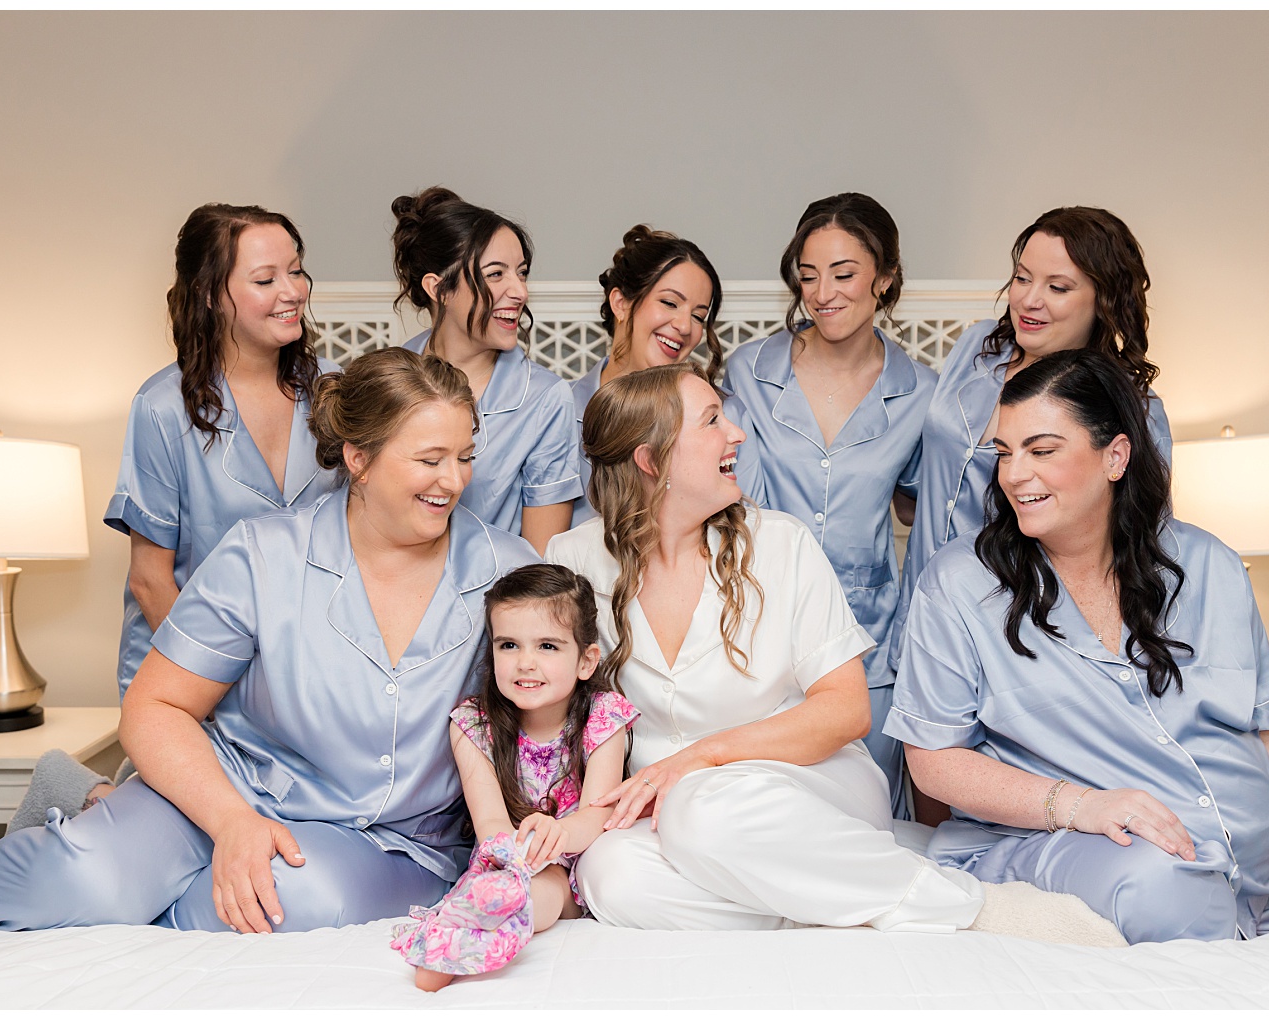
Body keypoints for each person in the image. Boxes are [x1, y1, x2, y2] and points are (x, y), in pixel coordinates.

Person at [0, 348, 540, 941]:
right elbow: (156, 707)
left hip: (391, 835)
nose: (452, 480)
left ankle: (103, 817)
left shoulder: (506, 571)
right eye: (430, 460)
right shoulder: (264, 554)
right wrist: (231, 822)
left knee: (292, 899)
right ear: (358, 458)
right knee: (85, 876)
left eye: (465, 456)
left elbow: (552, 716)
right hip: (228, 789)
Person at [885, 347, 1269, 946]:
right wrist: (1080, 805)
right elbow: (933, 761)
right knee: (1164, 883)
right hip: (1074, 847)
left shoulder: (1208, 564)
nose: (1013, 474)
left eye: (1041, 451)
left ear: (1115, 455)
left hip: (1259, 885)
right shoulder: (959, 584)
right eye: (1004, 453)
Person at [543, 363, 985, 933]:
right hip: (666, 815)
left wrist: (700, 758)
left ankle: (945, 901)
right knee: (611, 874)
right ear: (651, 462)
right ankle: (809, 915)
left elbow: (846, 710)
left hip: (806, 787)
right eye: (711, 421)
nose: (737, 433)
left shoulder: (782, 544)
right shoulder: (572, 559)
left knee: (699, 812)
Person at [10, 203, 343, 829]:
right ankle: (86, 795)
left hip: (300, 667)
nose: (292, 292)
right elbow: (150, 579)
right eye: (266, 279)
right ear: (212, 296)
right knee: (187, 827)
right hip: (189, 662)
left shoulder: (334, 392)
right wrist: (211, 684)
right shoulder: (163, 408)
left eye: (296, 272)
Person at [887, 206, 1172, 687]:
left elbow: (1137, 544)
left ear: (1104, 300)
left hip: (1019, 636)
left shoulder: (1132, 409)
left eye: (1058, 288)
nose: (1029, 300)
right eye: (1022, 278)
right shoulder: (978, 348)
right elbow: (927, 477)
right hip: (918, 610)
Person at [722, 193, 934, 817]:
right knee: (766, 826)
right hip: (755, 639)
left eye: (844, 274)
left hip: (867, 648)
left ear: (885, 279)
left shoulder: (921, 393)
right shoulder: (748, 372)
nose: (823, 293)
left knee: (866, 826)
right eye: (808, 276)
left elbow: (919, 513)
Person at [393, 563, 639, 991]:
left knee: (545, 888)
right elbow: (489, 822)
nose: (526, 663)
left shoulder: (604, 715)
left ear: (586, 660)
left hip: (572, 864)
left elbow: (597, 814)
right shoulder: (474, 724)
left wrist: (556, 835)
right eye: (509, 645)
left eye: (547, 646)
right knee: (503, 883)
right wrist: (515, 858)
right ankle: (464, 920)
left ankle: (484, 920)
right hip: (506, 857)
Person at [391, 187, 581, 554]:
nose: (519, 291)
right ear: (439, 288)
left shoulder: (545, 399)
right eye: (496, 275)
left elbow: (539, 561)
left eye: (521, 273)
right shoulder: (386, 378)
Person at [570, 225, 725, 526]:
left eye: (698, 316)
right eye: (669, 303)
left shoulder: (727, 416)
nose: (684, 326)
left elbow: (749, 525)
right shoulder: (557, 411)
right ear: (621, 303)